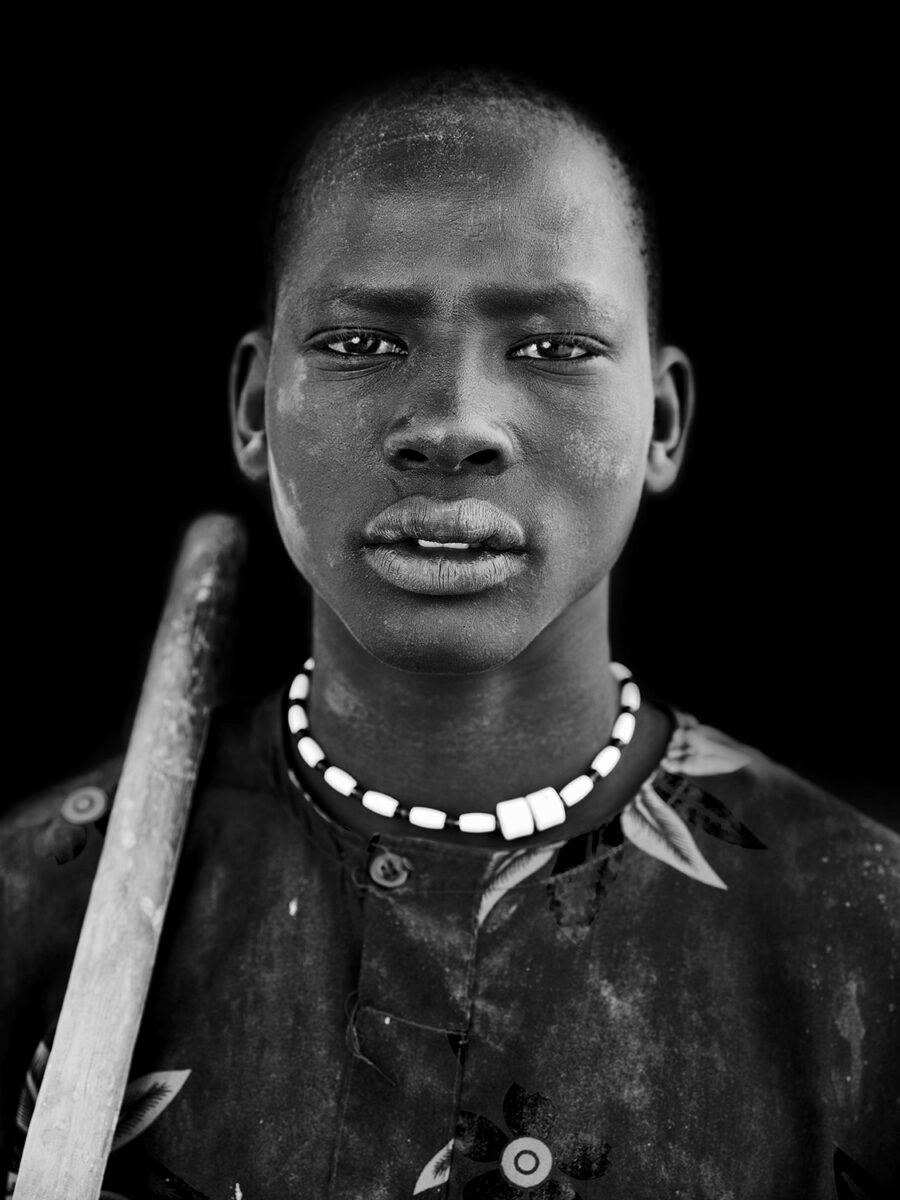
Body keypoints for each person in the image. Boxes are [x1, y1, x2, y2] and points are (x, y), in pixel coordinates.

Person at [2, 68, 897, 1200]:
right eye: (363, 344)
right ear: (252, 407)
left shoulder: (868, 943)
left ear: (663, 421)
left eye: (555, 348)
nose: (453, 426)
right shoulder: (33, 909)